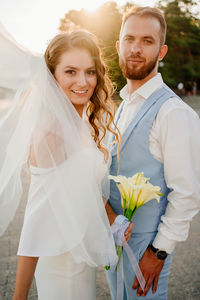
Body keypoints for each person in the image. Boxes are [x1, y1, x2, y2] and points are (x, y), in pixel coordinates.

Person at [0, 24, 133, 300]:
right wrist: (19, 297)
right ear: (52, 75)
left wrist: (113, 219)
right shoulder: (51, 133)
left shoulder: (79, 122)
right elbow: (35, 224)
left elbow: (84, 187)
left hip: (80, 261)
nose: (82, 82)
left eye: (89, 72)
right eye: (70, 72)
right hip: (61, 265)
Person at [105, 6, 200, 299]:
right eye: (130, 39)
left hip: (145, 257)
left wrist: (158, 252)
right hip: (115, 250)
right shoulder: (122, 106)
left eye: (147, 41)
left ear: (162, 51)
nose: (136, 48)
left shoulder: (173, 113)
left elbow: (187, 194)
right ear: (119, 46)